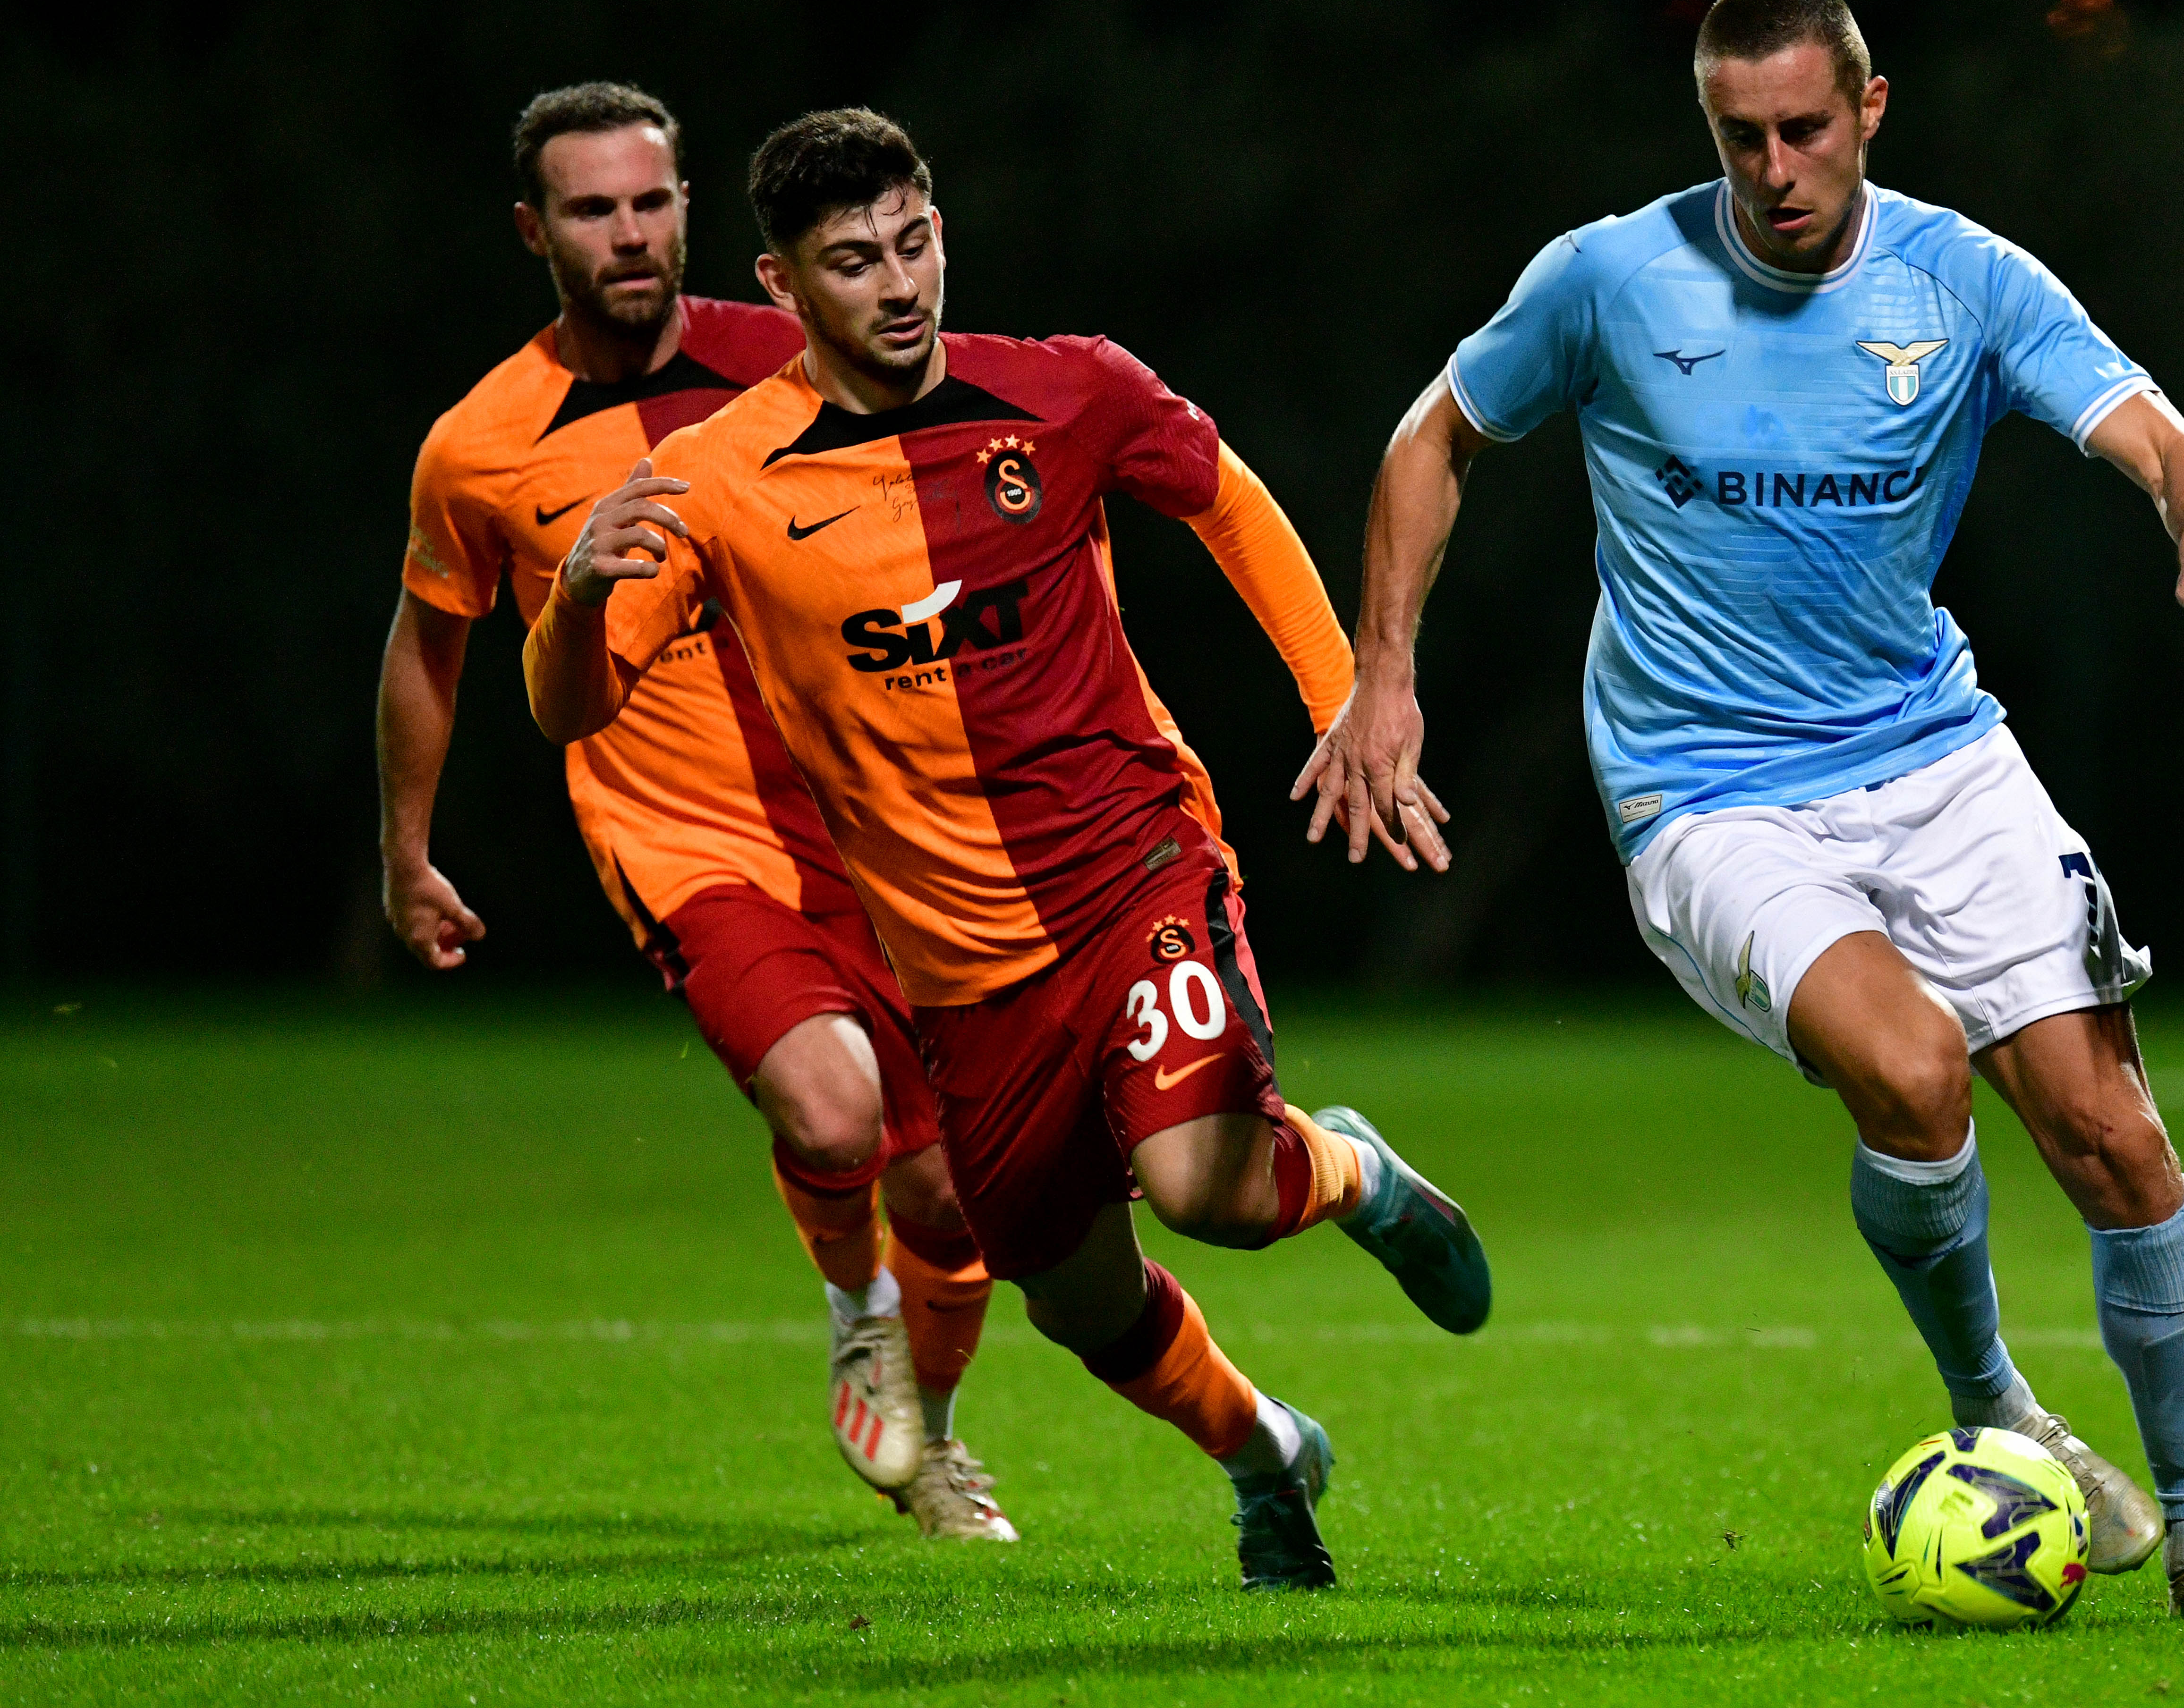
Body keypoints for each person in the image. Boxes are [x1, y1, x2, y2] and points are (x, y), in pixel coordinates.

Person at [1305, 0, 2184, 1623]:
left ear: (1869, 113)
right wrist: (1384, 675)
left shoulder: (1965, 279)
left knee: (2114, 1140)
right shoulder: (1609, 279)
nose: (1772, 169)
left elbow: (2167, 442)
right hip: (1706, 792)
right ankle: (1995, 1400)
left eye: (1802, 130)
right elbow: (1436, 438)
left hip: (1933, 753)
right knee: (1915, 1073)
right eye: (1737, 136)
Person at [522, 107, 1489, 1592]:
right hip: (962, 980)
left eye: (918, 243)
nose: (901, 285)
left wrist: (1347, 702)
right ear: (782, 288)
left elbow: (1224, 501)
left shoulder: (1066, 393)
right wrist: (577, 601)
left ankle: (1350, 1175)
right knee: (1080, 1303)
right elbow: (574, 707)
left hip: (1134, 872)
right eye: (855, 262)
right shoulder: (719, 482)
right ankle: (1267, 1455)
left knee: (1207, 1192)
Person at [378, 82, 1010, 1541]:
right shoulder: (482, 446)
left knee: (952, 1206)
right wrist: (409, 856)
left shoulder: (788, 362)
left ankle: (932, 1444)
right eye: (593, 211)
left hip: (875, 823)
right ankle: (856, 1312)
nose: (632, 235)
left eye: (652, 202)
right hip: (683, 837)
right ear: (537, 231)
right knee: (831, 1104)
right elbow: (428, 644)